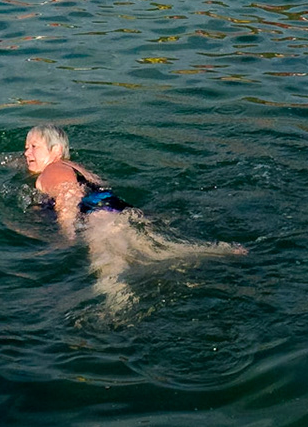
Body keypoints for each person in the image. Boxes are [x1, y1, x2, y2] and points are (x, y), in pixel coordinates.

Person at [23, 125, 245, 310]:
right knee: (157, 249)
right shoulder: (77, 167)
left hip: (97, 216)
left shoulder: (52, 170)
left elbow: (69, 195)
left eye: (34, 147)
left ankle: (118, 310)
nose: (26, 153)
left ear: (56, 150)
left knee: (110, 268)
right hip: (118, 208)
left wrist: (67, 231)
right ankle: (217, 250)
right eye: (25, 148)